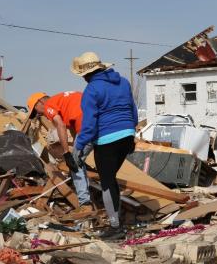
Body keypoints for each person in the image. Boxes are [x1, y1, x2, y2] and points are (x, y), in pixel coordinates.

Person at [71, 52, 138, 240]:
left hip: (107, 140)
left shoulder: (92, 89)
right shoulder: (123, 82)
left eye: (83, 75)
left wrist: (79, 148)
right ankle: (116, 221)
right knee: (111, 178)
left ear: (87, 74)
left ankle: (115, 228)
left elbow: (89, 124)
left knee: (107, 182)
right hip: (127, 136)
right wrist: (132, 133)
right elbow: (133, 110)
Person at [26, 91, 92, 212]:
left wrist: (66, 153)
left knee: (74, 164)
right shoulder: (63, 100)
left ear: (40, 102)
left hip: (87, 128)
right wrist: (77, 151)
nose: (40, 114)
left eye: (36, 111)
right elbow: (73, 128)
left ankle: (85, 204)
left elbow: (60, 126)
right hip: (101, 123)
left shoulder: (48, 106)